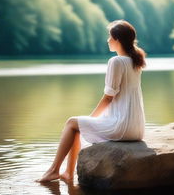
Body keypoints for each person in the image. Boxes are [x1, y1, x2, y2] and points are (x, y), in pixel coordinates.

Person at [36, 19, 147, 183]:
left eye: (110, 37)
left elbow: (109, 97)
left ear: (118, 40)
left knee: (72, 123)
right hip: (137, 128)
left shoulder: (116, 61)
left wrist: (92, 118)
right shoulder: (135, 61)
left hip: (121, 126)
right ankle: (67, 173)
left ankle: (54, 170)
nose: (107, 40)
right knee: (77, 125)